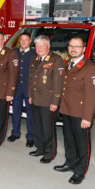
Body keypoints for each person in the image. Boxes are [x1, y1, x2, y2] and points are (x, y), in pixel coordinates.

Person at [54, 37, 95, 185]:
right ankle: (70, 163)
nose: (73, 49)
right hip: (67, 110)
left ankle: (80, 171)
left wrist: (87, 117)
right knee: (69, 140)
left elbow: (92, 96)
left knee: (82, 143)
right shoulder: (68, 64)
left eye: (77, 46)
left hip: (81, 114)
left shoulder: (90, 68)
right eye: (71, 46)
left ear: (83, 48)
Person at [28, 35, 64, 163]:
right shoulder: (34, 58)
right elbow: (31, 79)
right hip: (35, 99)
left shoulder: (56, 59)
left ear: (48, 46)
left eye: (42, 46)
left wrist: (55, 102)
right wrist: (30, 95)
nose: (39, 48)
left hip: (48, 101)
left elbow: (58, 83)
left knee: (48, 128)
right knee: (37, 126)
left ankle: (50, 152)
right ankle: (40, 148)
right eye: (37, 46)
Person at [7, 32, 36, 147]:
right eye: (21, 40)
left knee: (30, 113)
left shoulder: (35, 53)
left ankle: (30, 136)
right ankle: (15, 133)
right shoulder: (14, 52)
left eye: (26, 40)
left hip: (29, 88)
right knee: (16, 111)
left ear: (30, 41)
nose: (23, 42)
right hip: (17, 87)